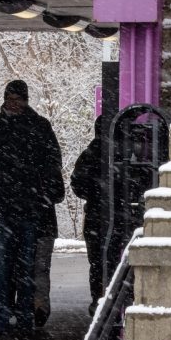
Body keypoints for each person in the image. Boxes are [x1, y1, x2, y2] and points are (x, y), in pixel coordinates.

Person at [0, 80, 64, 337]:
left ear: (25, 100)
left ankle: (22, 317)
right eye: (10, 98)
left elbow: (52, 164)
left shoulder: (37, 126)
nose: (14, 103)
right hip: (6, 209)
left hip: (26, 210)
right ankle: (3, 317)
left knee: (24, 268)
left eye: (18, 98)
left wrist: (38, 192)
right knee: (3, 268)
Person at [71, 116, 106, 315]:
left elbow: (77, 183)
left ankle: (98, 301)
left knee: (97, 262)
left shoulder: (90, 153)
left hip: (95, 213)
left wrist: (93, 195)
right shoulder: (127, 151)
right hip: (113, 213)